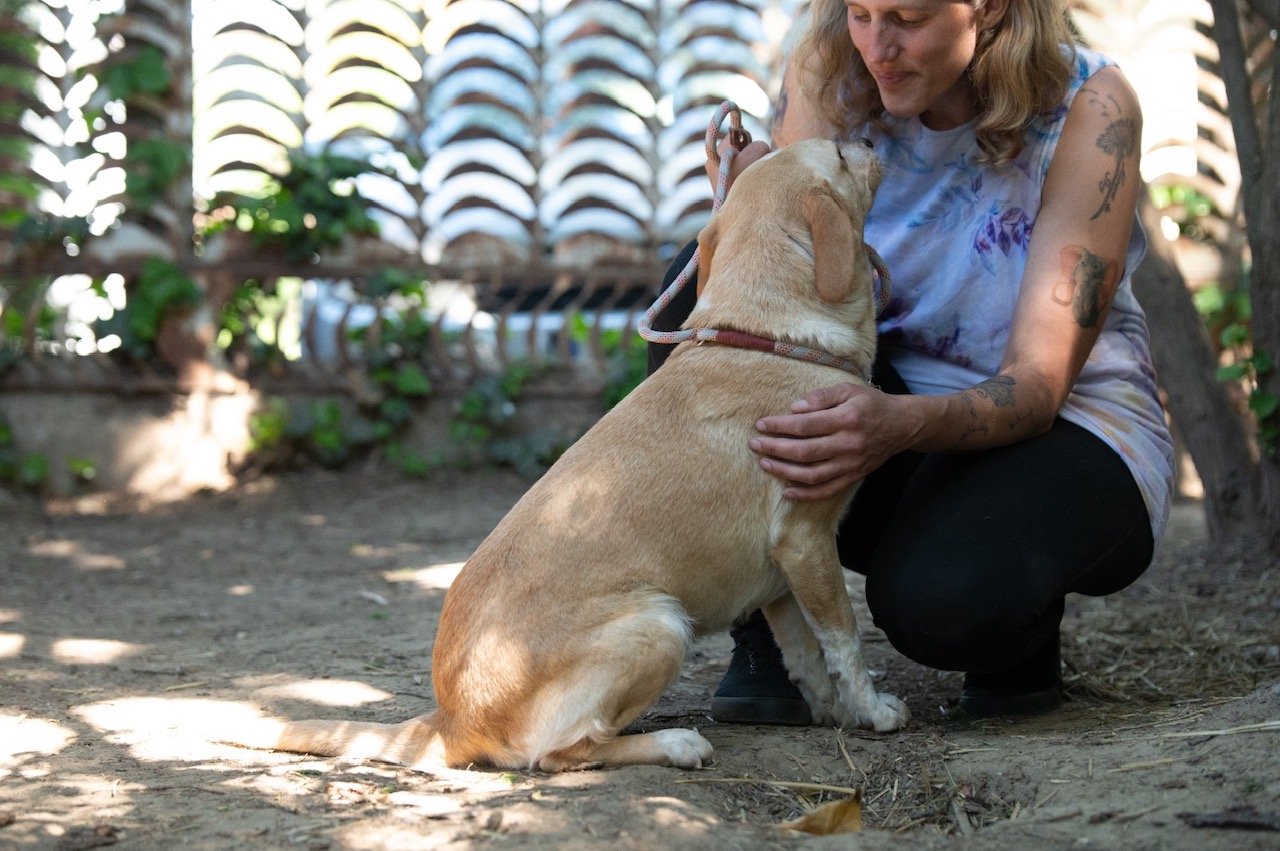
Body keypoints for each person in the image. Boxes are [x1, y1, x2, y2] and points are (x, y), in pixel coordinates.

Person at [646, 0, 1175, 721]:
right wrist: (748, 198)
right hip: (879, 389)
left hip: (1061, 423)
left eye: (906, 18)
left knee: (939, 604)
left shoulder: (1092, 107)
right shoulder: (831, 63)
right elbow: (783, 291)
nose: (877, 47)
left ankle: (1011, 619)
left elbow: (1038, 384)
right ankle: (768, 634)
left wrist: (896, 424)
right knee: (702, 294)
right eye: (860, 13)